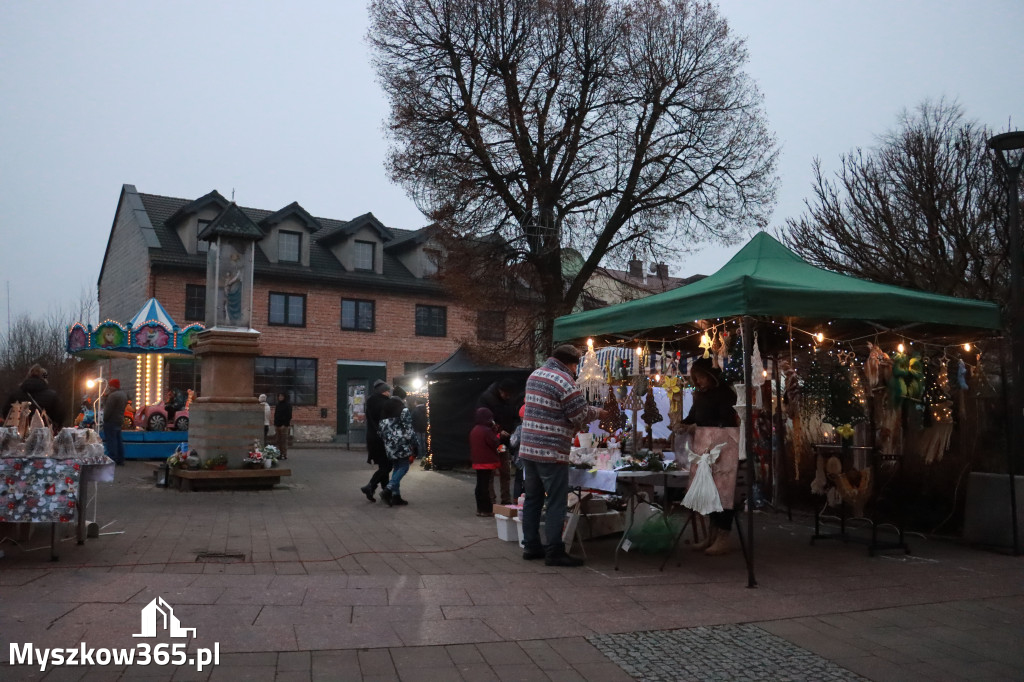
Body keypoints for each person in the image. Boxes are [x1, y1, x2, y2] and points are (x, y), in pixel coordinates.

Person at [519, 345, 606, 567]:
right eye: (576, 365)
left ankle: (530, 545)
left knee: (532, 498)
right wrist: (599, 413)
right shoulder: (564, 380)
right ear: (572, 363)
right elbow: (580, 414)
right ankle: (554, 551)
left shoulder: (535, 375)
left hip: (529, 448)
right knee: (556, 501)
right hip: (551, 450)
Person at [679, 356, 740, 556]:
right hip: (705, 452)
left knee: (723, 492)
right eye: (695, 378)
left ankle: (723, 536)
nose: (698, 382)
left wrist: (700, 427)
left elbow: (726, 421)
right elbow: (693, 417)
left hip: (723, 450)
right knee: (709, 492)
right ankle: (711, 535)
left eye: (701, 378)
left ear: (711, 376)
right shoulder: (701, 395)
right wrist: (681, 423)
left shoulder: (724, 394)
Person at [478, 378, 520, 505]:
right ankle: (491, 501)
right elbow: (483, 419)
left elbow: (513, 416)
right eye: (506, 394)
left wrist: (512, 430)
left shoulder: (508, 399)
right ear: (501, 391)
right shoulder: (486, 398)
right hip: (492, 442)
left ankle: (505, 500)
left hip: (503, 443)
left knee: (505, 471)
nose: (508, 397)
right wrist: (498, 431)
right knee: (491, 472)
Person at [378, 395, 416, 506]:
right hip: (401, 443)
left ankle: (396, 496)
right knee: (404, 466)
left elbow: (381, 430)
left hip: (389, 444)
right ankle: (388, 490)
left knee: (397, 467)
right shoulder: (403, 411)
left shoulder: (384, 412)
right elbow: (409, 429)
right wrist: (414, 444)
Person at [360, 380, 392, 501]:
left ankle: (384, 493)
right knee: (387, 466)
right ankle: (370, 486)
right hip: (381, 438)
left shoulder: (371, 401)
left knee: (384, 465)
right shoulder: (384, 403)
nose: (389, 393)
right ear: (383, 391)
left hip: (372, 437)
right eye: (388, 391)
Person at [4, 364, 62, 428]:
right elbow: (59, 417)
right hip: (45, 434)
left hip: (19, 434)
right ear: (44, 379)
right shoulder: (52, 396)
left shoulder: (15, 395)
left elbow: (6, 414)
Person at [469, 406, 501, 517]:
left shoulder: (474, 430)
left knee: (479, 485)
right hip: (487, 462)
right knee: (486, 486)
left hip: (477, 461)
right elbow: (495, 443)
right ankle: (486, 509)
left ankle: (479, 508)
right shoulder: (486, 431)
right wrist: (497, 434)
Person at [102, 378, 128, 465]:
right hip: (119, 420)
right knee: (118, 440)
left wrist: (104, 419)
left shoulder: (113, 396)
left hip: (111, 421)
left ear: (113, 386)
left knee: (111, 441)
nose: (108, 387)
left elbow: (108, 410)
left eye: (110, 386)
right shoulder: (123, 395)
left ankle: (112, 458)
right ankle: (120, 459)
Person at [508, 404, 526, 501]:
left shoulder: (520, 428)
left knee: (518, 480)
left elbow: (513, 442)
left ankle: (516, 498)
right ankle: (527, 498)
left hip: (520, 459)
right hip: (532, 460)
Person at [273, 392, 292, 460]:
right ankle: (278, 454)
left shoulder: (288, 405)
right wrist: (275, 424)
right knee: (278, 440)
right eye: (279, 396)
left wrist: (285, 424)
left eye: (281, 396)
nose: (280, 397)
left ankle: (284, 454)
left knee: (284, 440)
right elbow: (276, 415)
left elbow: (289, 416)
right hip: (277, 424)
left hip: (284, 425)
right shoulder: (278, 405)